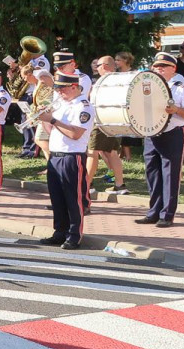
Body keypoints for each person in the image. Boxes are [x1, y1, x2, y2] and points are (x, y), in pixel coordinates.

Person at [136, 52, 184, 227]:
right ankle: (153, 212)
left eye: (164, 66)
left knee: (170, 175)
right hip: (152, 134)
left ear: (174, 68)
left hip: (173, 133)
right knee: (152, 174)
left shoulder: (182, 88)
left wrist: (176, 110)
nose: (159, 69)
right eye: (156, 66)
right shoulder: (148, 86)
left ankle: (167, 215)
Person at [37, 73, 96, 250]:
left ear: (74, 86)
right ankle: (60, 232)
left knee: (73, 199)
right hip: (55, 155)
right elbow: (52, 130)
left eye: (62, 89)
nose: (59, 92)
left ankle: (74, 235)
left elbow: (75, 133)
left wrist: (52, 119)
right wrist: (44, 118)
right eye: (57, 89)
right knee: (57, 197)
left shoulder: (84, 107)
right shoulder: (62, 104)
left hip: (72, 156)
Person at [86, 55, 127, 194]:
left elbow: (96, 101)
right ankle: (120, 185)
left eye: (98, 65)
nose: (97, 68)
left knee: (92, 151)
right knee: (112, 152)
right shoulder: (119, 79)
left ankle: (87, 185)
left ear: (104, 66)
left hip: (101, 120)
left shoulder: (104, 80)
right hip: (115, 120)